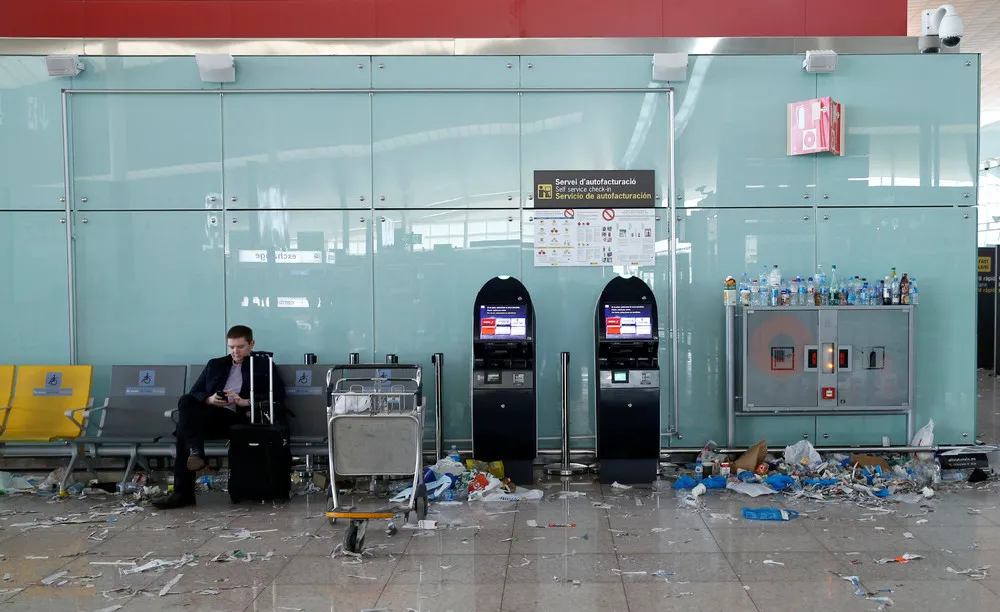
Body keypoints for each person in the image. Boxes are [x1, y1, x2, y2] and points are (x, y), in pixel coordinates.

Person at [153, 325, 285, 509]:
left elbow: (277, 396)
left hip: (238, 418)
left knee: (184, 432)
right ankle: (195, 452)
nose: (235, 351)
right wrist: (210, 399)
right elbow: (195, 393)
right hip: (211, 415)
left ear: (251, 344)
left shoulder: (263, 365)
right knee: (185, 401)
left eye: (240, 347)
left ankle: (183, 489)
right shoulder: (215, 364)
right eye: (231, 347)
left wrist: (244, 401)